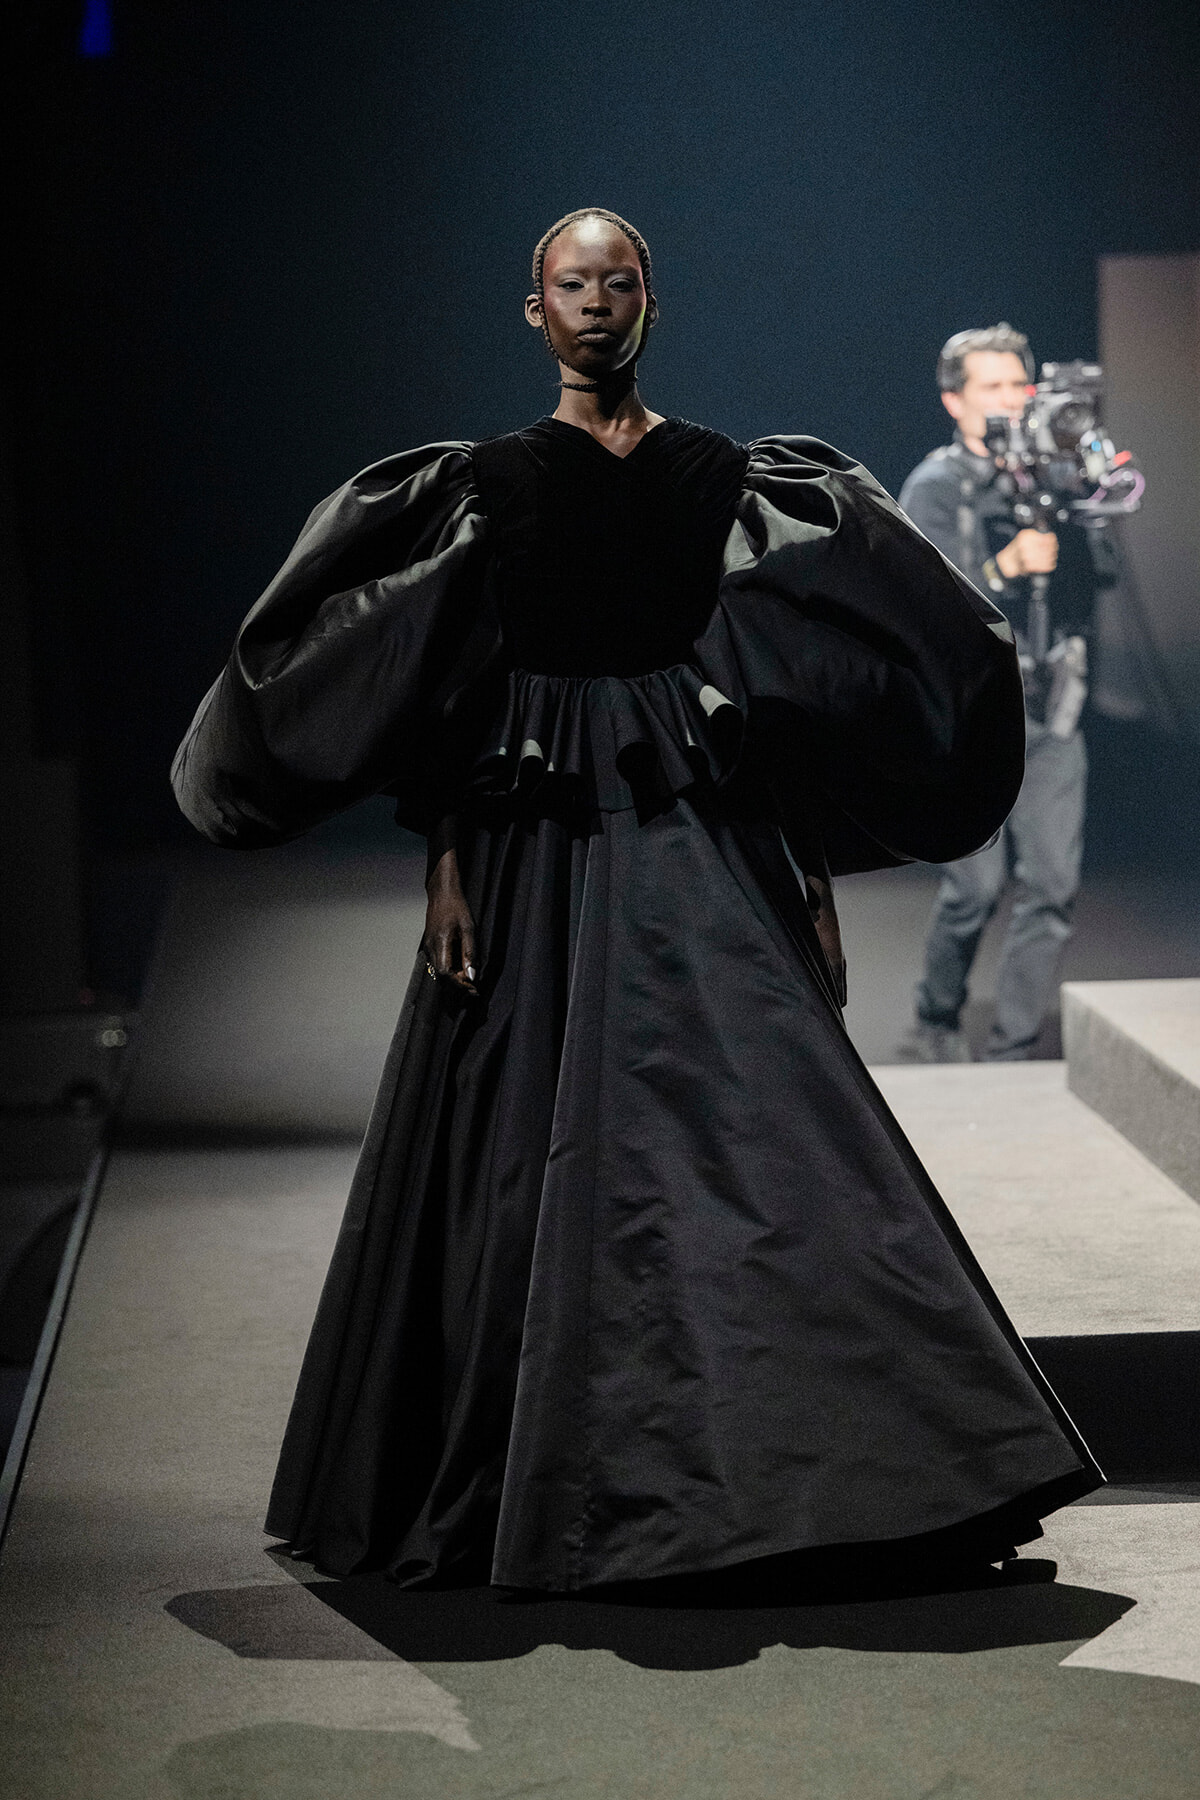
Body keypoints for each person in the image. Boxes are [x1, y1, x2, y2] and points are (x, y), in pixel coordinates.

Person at [172, 213, 1100, 1594]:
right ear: (533, 310)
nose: (596, 303)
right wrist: (444, 858)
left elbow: (783, 683)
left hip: (696, 830)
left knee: (777, 1138)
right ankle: (538, 1488)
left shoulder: (726, 480)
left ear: (652, 303)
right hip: (531, 843)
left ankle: (845, 1482)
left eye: (618, 282)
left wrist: (804, 869)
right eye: (572, 284)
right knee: (519, 1154)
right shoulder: (484, 485)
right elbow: (445, 681)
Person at [897, 324, 1117, 1062]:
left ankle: (1012, 1050)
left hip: (1051, 706)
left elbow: (1103, 575)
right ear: (953, 401)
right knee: (975, 889)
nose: (1010, 400)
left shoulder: (1052, 479)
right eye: (991, 386)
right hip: (972, 716)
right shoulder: (936, 485)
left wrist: (1085, 493)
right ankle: (935, 1019)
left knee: (1052, 886)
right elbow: (928, 604)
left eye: (1019, 385)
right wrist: (1005, 567)